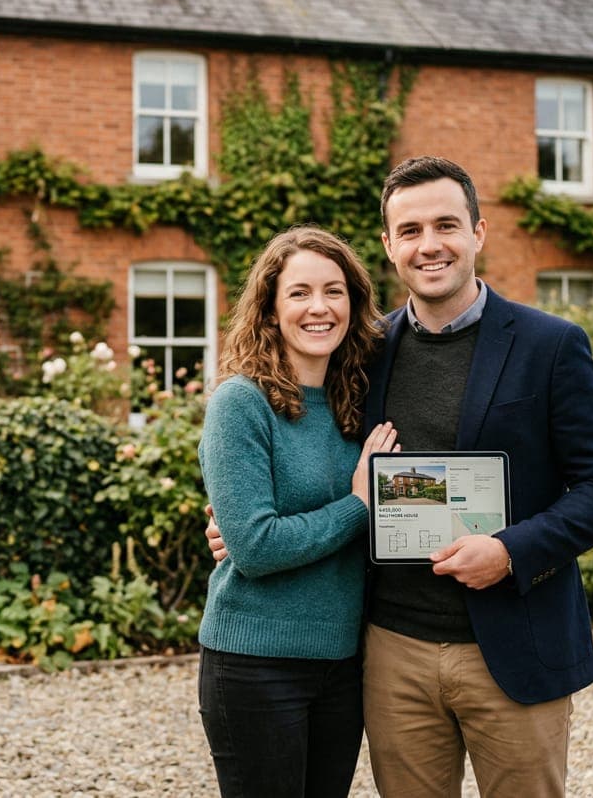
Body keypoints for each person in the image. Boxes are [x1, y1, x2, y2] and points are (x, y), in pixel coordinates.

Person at [208, 156, 593, 797]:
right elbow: (306, 463)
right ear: (388, 245)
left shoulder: (551, 345)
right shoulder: (363, 351)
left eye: (446, 225)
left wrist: (510, 551)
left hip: (514, 642)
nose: (429, 245)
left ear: (479, 233)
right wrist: (235, 529)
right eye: (410, 230)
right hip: (390, 650)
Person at [197, 225, 401, 798]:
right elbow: (257, 548)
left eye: (334, 291)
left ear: (354, 305)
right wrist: (360, 504)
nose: (320, 307)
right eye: (300, 293)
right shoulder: (241, 403)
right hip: (256, 664)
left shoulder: (355, 403)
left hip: (341, 662)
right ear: (269, 309)